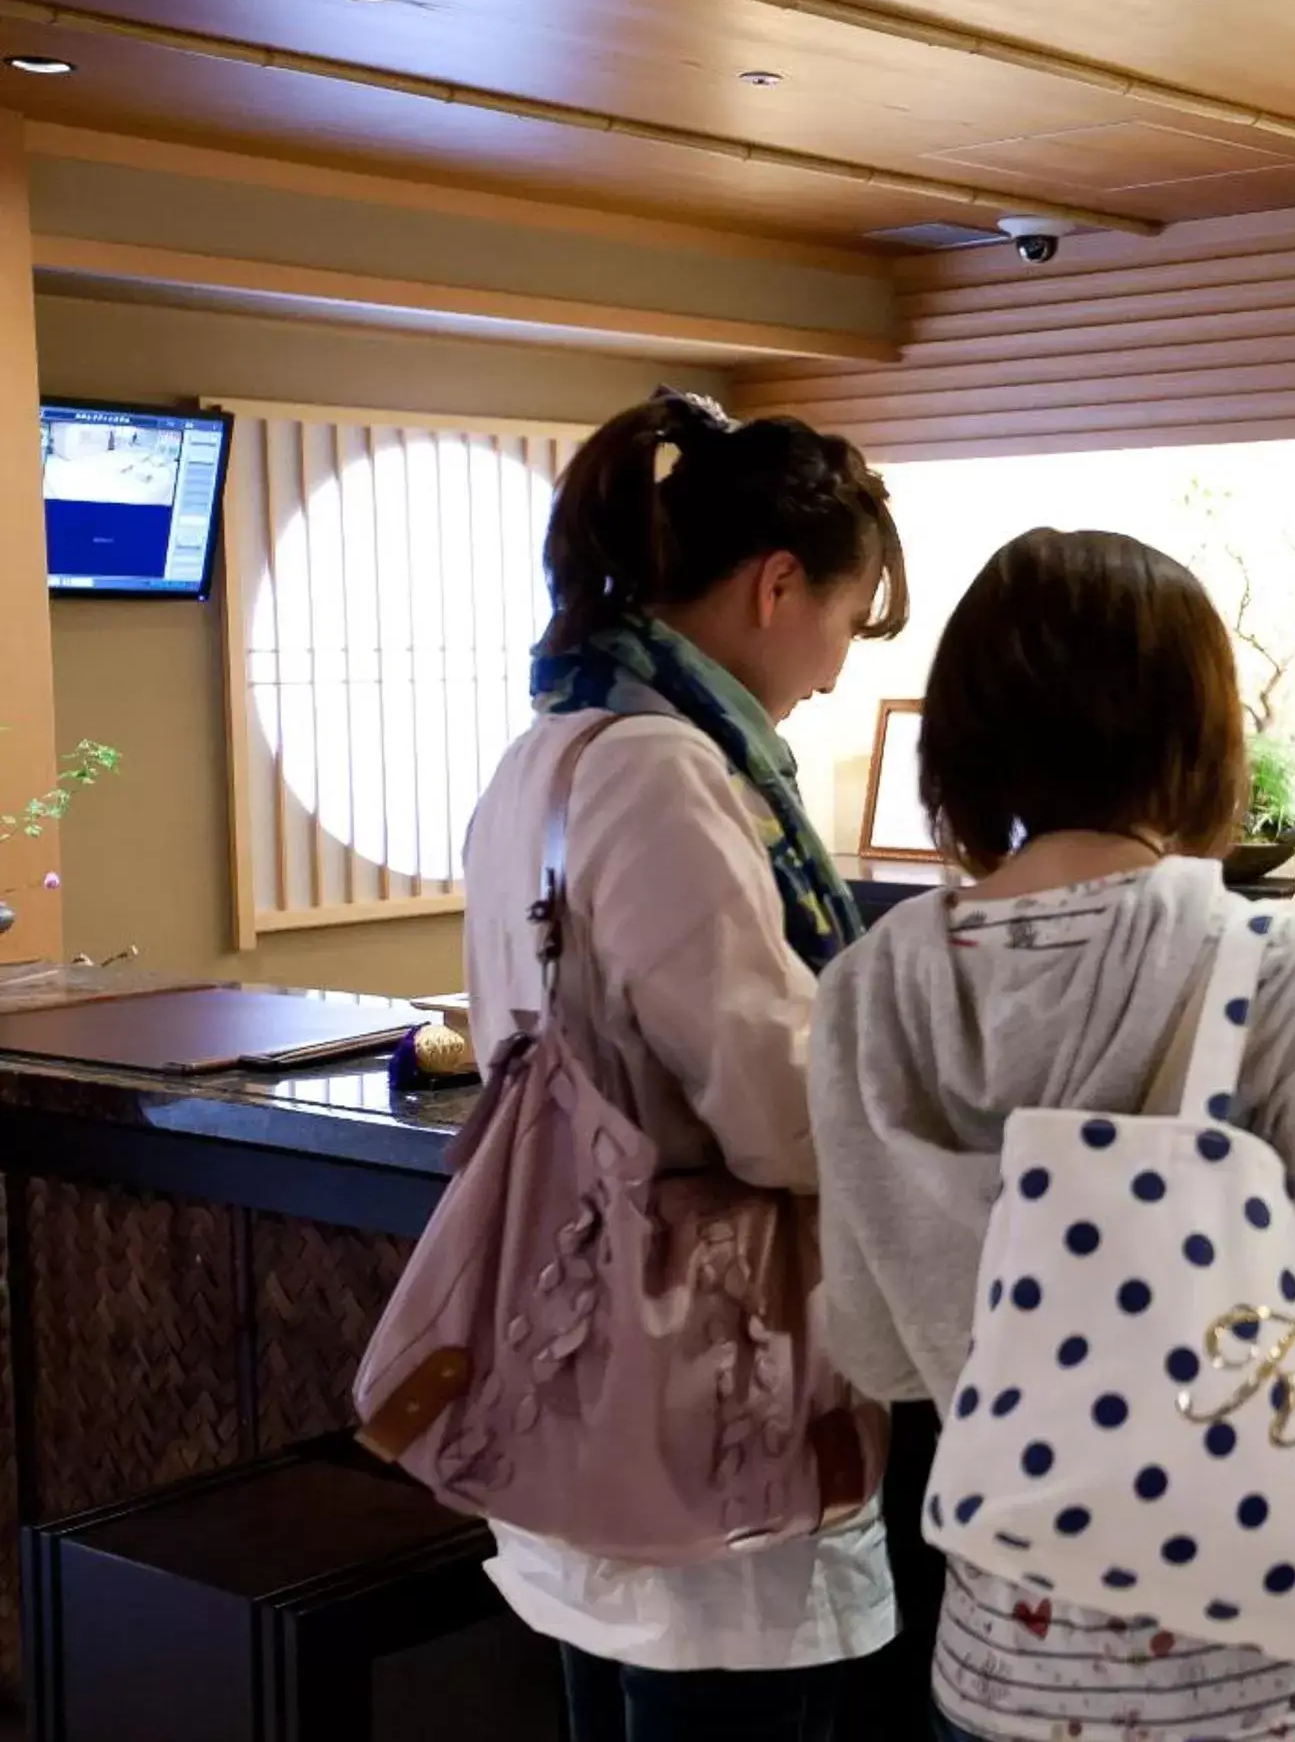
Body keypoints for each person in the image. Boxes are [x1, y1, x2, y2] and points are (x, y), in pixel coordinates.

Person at [807, 527, 1295, 1742]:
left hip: (1008, 1674)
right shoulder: (1278, 973)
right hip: (1277, 1676)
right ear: (1199, 733)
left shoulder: (867, 989)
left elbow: (873, 1351)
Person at [460, 388, 909, 1742]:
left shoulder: (549, 745)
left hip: (578, 1340)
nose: (837, 667)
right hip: (704, 1367)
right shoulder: (667, 773)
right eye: (846, 618)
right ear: (780, 586)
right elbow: (775, 1113)